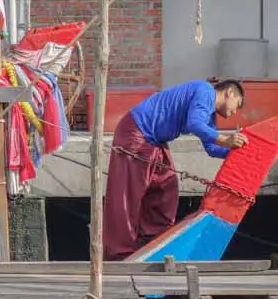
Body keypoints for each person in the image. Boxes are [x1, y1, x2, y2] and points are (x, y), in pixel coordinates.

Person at [102, 79, 248, 261]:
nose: (235, 112)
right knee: (128, 195)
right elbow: (195, 124)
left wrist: (238, 152)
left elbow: (211, 148)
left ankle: (151, 241)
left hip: (154, 140)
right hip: (137, 131)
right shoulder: (205, 91)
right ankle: (120, 253)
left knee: (166, 186)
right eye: (237, 105)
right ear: (229, 93)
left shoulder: (209, 115)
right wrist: (224, 139)